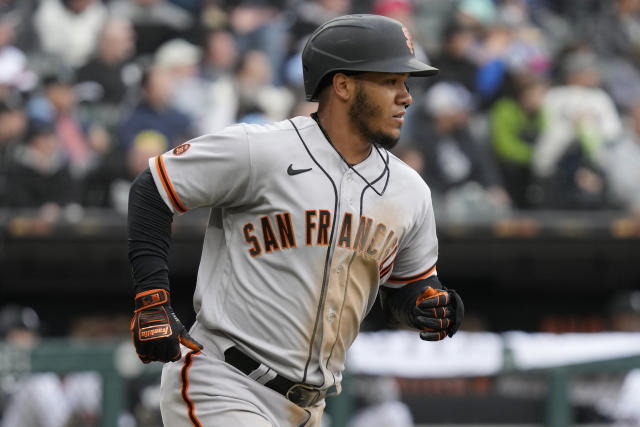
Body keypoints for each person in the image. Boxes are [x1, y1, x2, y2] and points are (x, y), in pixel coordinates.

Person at [127, 14, 464, 427]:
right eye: (390, 81)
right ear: (342, 85)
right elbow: (153, 188)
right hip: (224, 384)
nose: (406, 96)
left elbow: (406, 288)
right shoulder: (262, 150)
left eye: (406, 84)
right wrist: (152, 299)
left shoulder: (409, 191)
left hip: (307, 409)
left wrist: (427, 305)